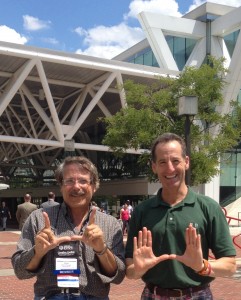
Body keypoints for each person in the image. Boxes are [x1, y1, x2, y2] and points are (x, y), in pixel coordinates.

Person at [125, 132, 236, 300]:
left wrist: (202, 266)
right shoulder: (142, 211)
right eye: (162, 162)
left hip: (197, 294)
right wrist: (138, 270)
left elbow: (230, 265)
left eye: (175, 161)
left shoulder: (208, 208)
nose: (170, 168)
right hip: (153, 295)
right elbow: (130, 270)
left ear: (186, 162)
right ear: (154, 166)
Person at [12, 156, 125, 300]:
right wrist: (37, 252)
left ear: (94, 186)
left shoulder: (110, 224)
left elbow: (119, 276)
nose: (76, 186)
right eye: (69, 181)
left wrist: (101, 250)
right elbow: (19, 271)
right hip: (50, 295)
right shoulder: (39, 218)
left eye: (83, 181)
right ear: (61, 185)